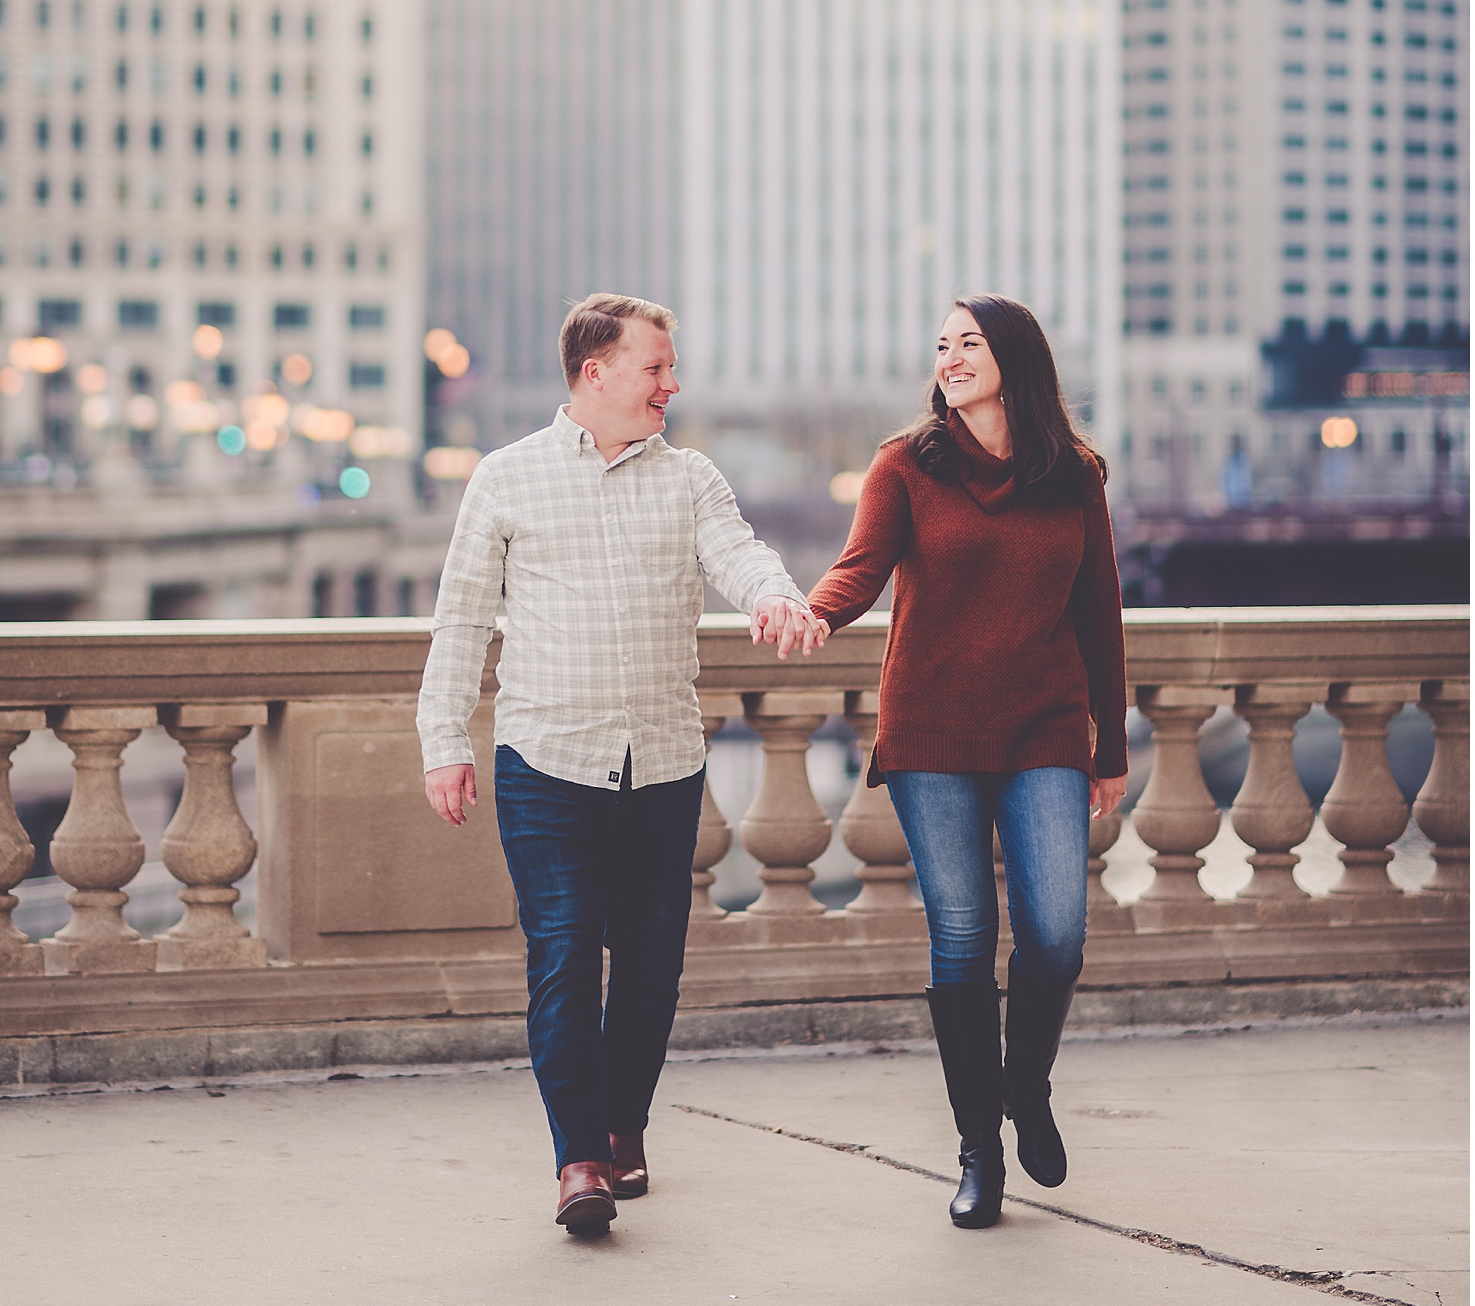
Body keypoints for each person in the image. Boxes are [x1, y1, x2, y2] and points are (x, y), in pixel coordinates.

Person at [418, 292, 827, 1237]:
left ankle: (622, 1127)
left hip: (664, 766)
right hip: (545, 763)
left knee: (650, 968)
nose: (670, 385)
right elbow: (463, 619)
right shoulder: (505, 478)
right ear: (594, 372)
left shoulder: (690, 479)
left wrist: (776, 599)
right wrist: (443, 742)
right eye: (655, 368)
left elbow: (742, 554)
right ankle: (579, 1162)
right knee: (561, 958)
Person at [806, 294, 1128, 1231]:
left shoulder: (1073, 474)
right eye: (941, 344)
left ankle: (1024, 1085)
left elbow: (1097, 613)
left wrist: (1107, 741)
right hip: (934, 728)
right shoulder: (907, 463)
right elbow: (860, 568)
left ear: (1014, 358)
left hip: (1045, 726)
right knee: (961, 933)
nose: (950, 357)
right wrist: (815, 613)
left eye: (969, 342)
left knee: (1058, 935)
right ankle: (978, 1149)